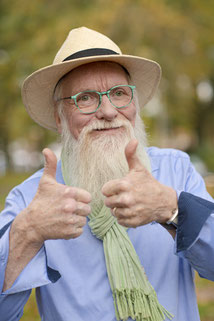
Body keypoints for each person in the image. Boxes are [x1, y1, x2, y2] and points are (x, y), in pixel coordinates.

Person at [0, 26, 214, 321]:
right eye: (86, 98)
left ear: (135, 105)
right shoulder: (31, 198)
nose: (108, 111)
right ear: (59, 119)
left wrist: (171, 208)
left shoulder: (174, 170)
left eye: (119, 93)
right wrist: (27, 234)